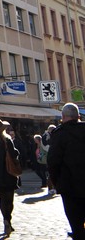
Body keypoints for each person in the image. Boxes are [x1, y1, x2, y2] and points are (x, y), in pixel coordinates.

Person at [48, 102, 85, 240]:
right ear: (78, 116)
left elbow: (53, 161)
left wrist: (56, 182)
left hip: (70, 186)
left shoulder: (60, 134)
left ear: (63, 116)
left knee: (76, 222)